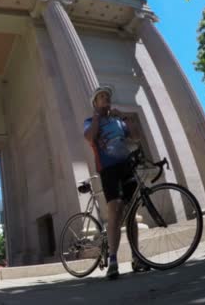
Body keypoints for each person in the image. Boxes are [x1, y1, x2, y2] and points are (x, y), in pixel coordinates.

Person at [83, 86, 150, 279]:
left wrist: (125, 118)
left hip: (126, 166)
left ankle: (136, 258)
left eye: (107, 97)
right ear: (95, 103)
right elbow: (89, 137)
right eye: (102, 97)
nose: (106, 99)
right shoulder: (89, 122)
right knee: (115, 210)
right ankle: (113, 260)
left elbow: (136, 136)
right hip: (108, 169)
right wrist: (97, 117)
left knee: (131, 212)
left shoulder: (118, 121)